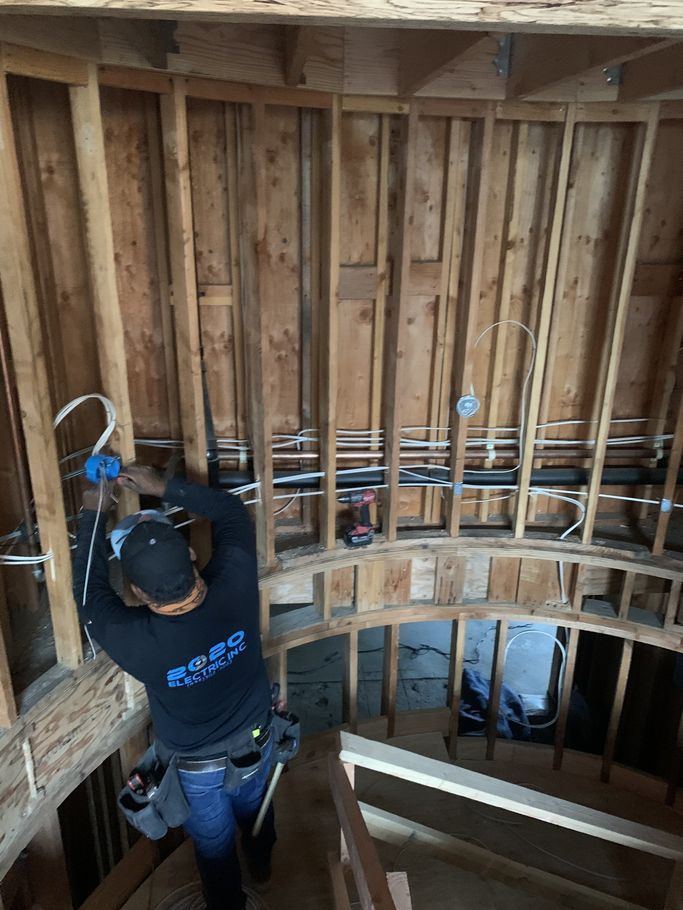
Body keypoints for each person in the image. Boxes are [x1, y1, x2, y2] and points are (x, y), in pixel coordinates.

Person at [73, 464, 276, 910]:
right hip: (258, 739)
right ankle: (262, 863)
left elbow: (88, 594)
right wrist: (161, 487)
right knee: (256, 809)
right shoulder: (237, 580)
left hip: (197, 768)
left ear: (138, 594)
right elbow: (230, 511)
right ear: (189, 555)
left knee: (214, 844)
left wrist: (94, 515)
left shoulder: (135, 641)